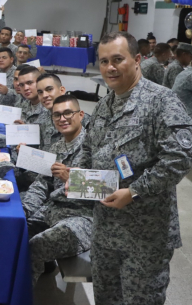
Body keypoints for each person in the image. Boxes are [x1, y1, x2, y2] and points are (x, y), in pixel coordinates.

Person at [80, 31, 192, 305]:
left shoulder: (161, 101)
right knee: (106, 299)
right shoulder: (105, 104)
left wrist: (135, 191)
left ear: (138, 59)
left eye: (118, 59)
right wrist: (77, 179)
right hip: (105, 232)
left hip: (145, 236)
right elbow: (88, 149)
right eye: (104, 61)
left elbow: (179, 158)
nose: (110, 67)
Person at [21, 94, 93, 284]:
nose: (62, 119)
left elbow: (108, 188)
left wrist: (74, 179)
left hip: (81, 217)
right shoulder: (58, 146)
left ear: (81, 115)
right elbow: (41, 184)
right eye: (57, 115)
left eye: (68, 113)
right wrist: (25, 210)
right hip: (52, 211)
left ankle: (20, 296)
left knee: (35, 246)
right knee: (13, 233)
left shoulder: (94, 147)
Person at [35, 73, 90, 152]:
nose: (44, 95)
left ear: (62, 90)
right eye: (40, 92)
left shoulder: (84, 120)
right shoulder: (41, 120)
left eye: (49, 89)